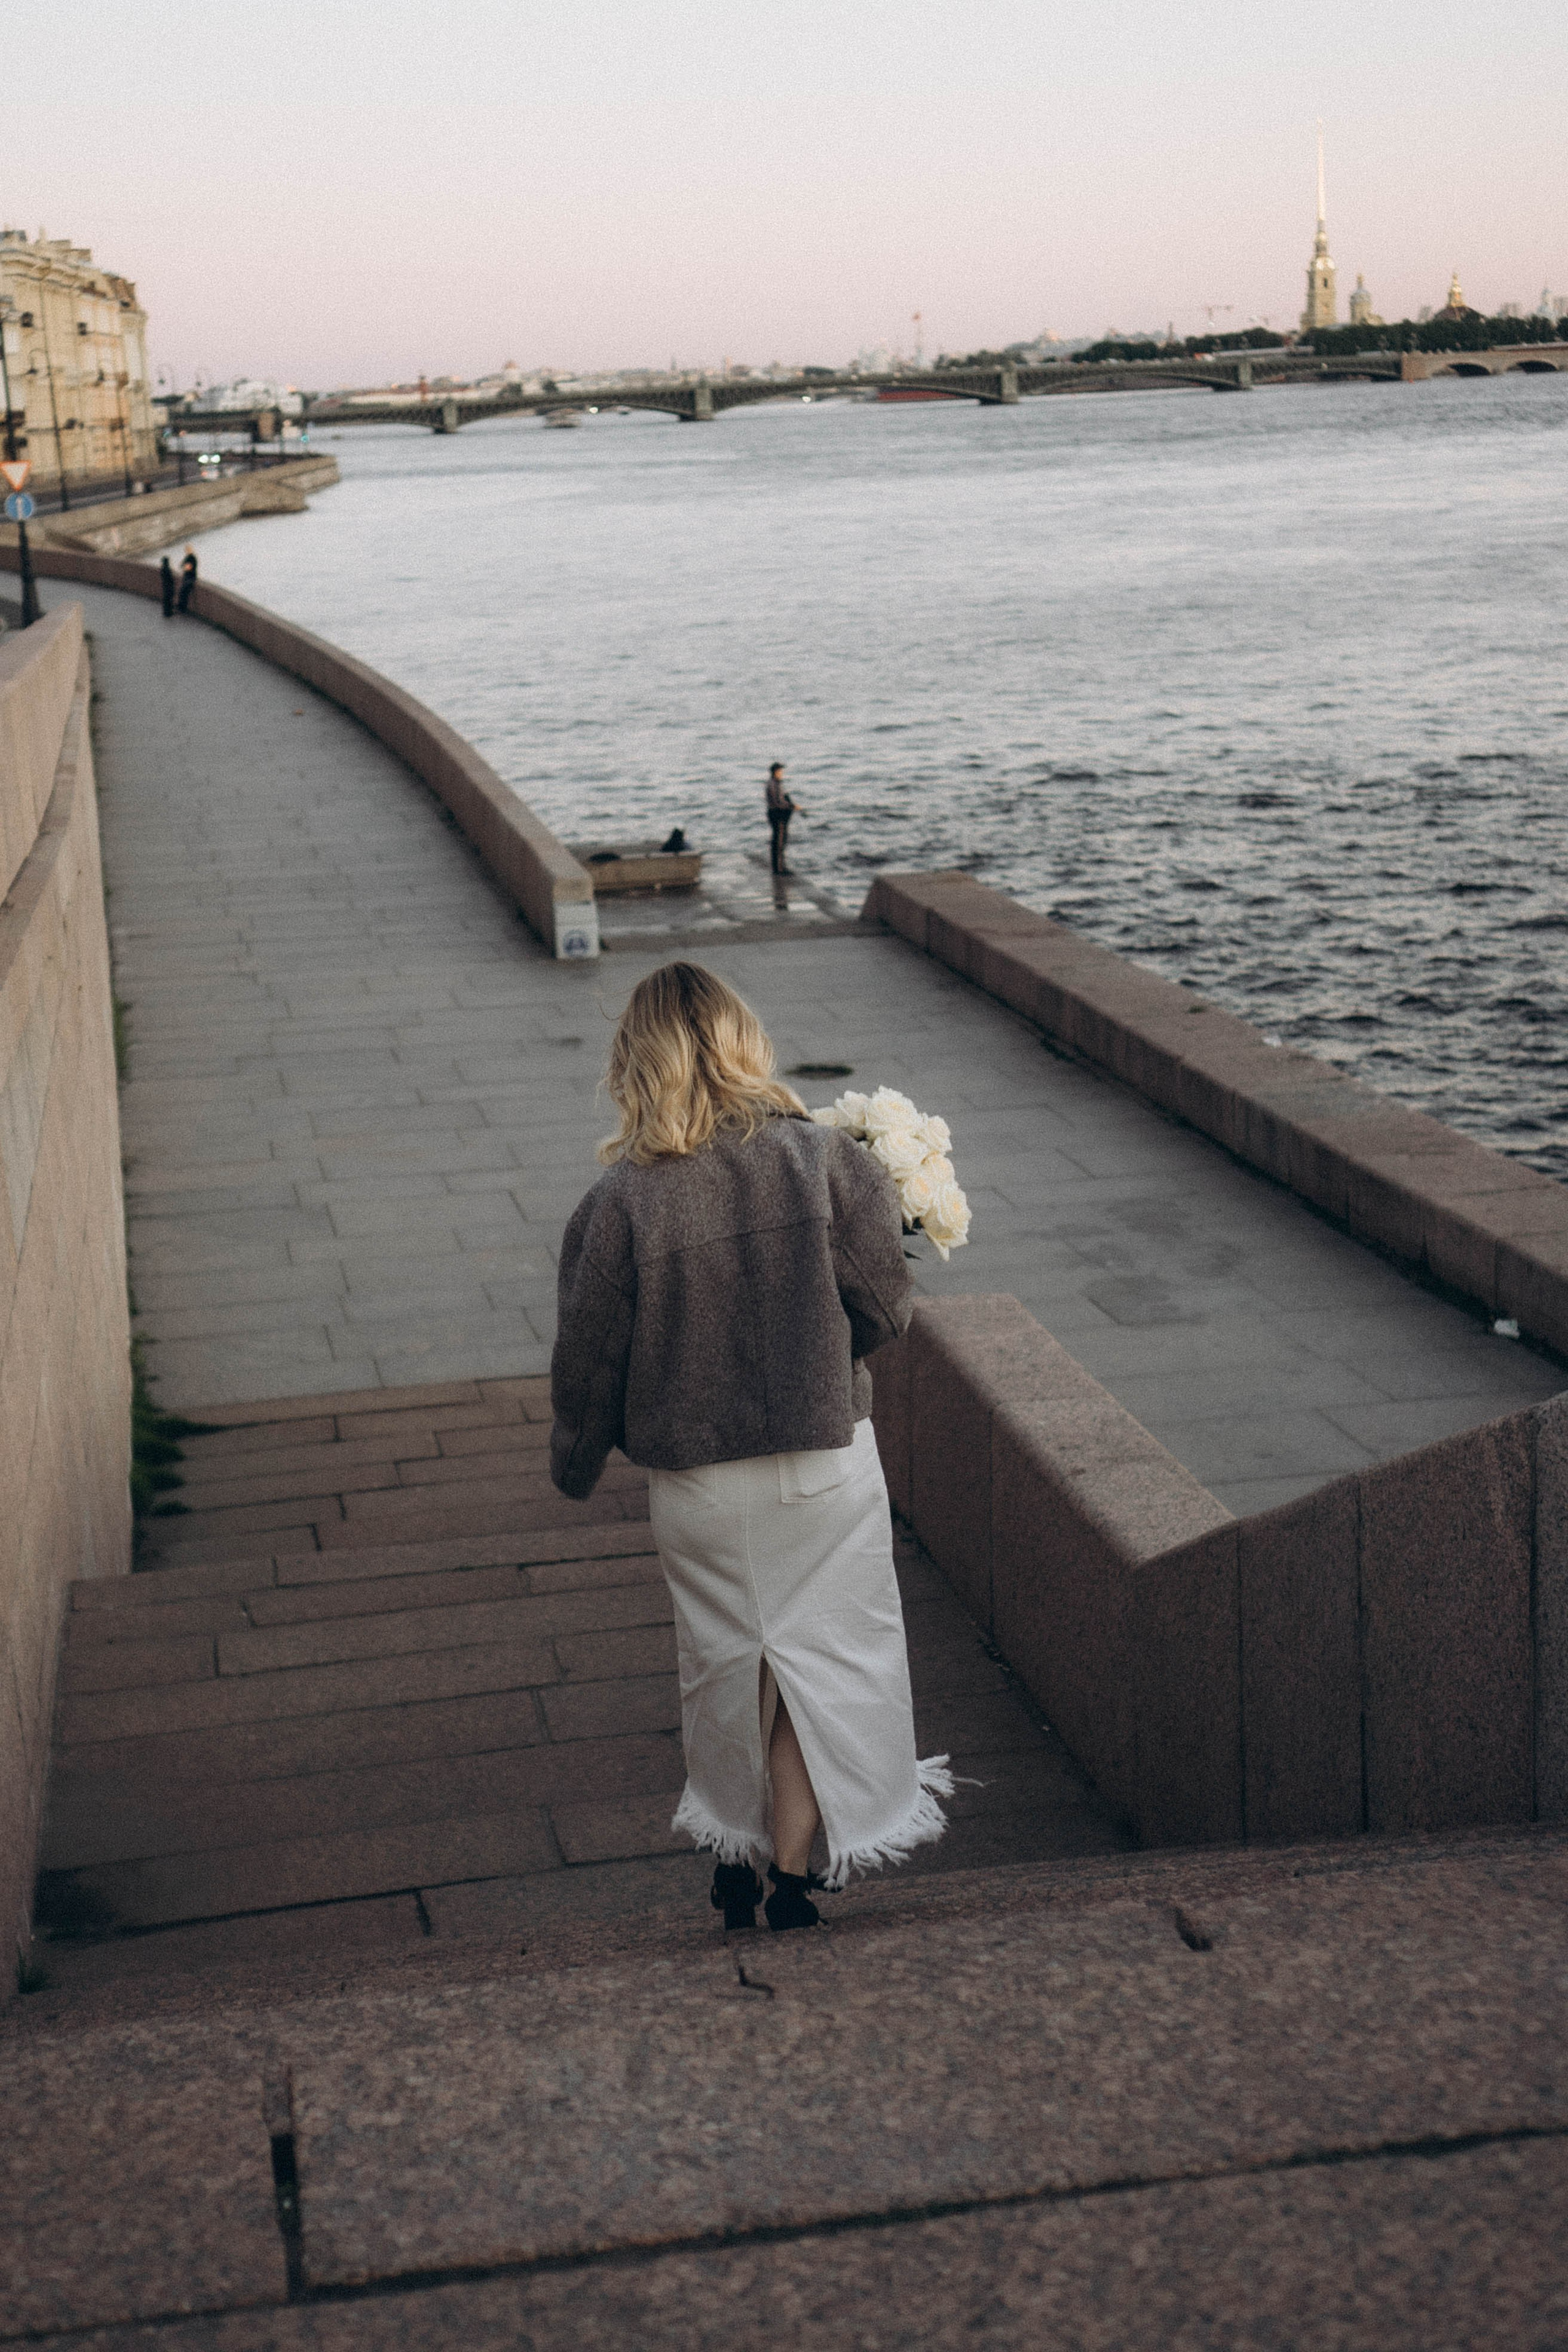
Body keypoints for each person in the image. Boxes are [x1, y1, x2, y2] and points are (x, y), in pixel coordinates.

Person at [550, 962, 951, 1933]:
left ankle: (732, 1849)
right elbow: (886, 1313)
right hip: (821, 1469)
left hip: (697, 1486)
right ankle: (792, 1870)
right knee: (825, 1658)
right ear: (743, 1045)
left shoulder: (617, 1207)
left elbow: (588, 1366)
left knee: (730, 1663)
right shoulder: (822, 1161)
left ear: (634, 1064)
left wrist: (576, 1459)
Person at [765, 761, 797, 875]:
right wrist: (791, 806)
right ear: (775, 772)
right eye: (780, 771)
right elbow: (778, 802)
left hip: (776, 814)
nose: (781, 773)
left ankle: (780, 867)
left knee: (780, 841)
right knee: (779, 842)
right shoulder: (773, 784)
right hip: (777, 815)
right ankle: (779, 869)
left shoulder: (775, 783)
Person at [176, 545, 198, 613]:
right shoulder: (188, 557)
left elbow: (188, 567)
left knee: (183, 591)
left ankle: (182, 608)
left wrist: (184, 567)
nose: (187, 551)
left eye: (188, 550)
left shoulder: (192, 558)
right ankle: (181, 607)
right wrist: (184, 567)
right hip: (187, 577)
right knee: (182, 592)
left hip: (191, 578)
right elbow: (182, 566)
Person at [159, 554, 176, 619]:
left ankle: (166, 612)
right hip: (169, 586)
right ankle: (169, 612)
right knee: (169, 599)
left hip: (165, 585)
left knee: (166, 599)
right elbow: (171, 578)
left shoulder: (163, 569)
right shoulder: (167, 569)